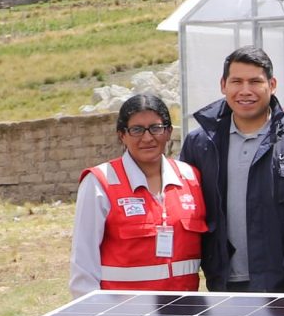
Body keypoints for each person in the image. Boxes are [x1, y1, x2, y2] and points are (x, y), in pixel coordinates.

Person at [181, 45, 284, 293]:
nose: (245, 91)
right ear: (223, 85)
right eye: (236, 81)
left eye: (255, 81)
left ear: (272, 84)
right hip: (223, 283)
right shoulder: (201, 144)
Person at [69, 93, 208, 294]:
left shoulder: (190, 177)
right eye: (136, 130)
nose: (147, 137)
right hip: (124, 315)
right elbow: (83, 262)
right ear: (121, 135)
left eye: (156, 128)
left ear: (168, 132)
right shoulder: (100, 182)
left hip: (181, 312)